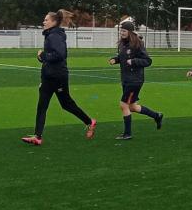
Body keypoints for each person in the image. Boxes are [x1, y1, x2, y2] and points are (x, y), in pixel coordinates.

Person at [21, 9, 97, 145]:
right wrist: (42, 58)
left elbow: (60, 55)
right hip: (48, 77)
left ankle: (89, 121)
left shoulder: (54, 36)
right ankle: (38, 136)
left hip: (58, 77)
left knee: (66, 104)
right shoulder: (51, 35)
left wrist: (43, 55)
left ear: (54, 22)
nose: (43, 22)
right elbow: (51, 58)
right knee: (42, 106)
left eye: (46, 20)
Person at [107, 20, 162, 139]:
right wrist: (115, 60)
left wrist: (133, 61)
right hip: (126, 79)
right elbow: (123, 57)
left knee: (123, 105)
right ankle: (156, 115)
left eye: (124, 31)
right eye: (121, 30)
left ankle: (127, 134)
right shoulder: (122, 44)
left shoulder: (137, 44)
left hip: (135, 80)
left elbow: (148, 61)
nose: (121, 33)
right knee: (132, 107)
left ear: (130, 32)